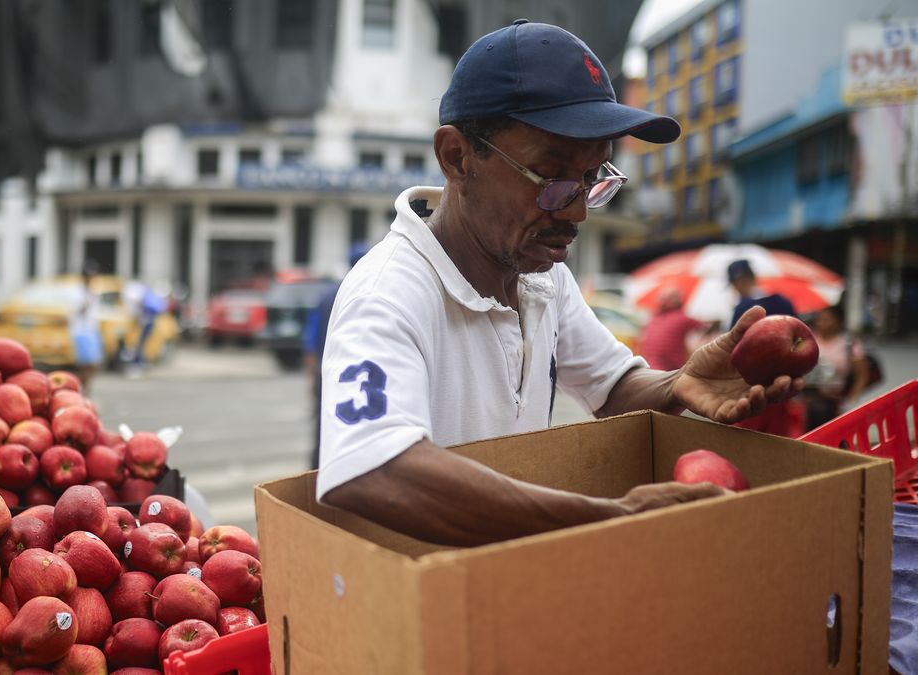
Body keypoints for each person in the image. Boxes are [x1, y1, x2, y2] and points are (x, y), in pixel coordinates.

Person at [315, 20, 804, 548]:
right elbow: (372, 469)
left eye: (593, 179)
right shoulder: (390, 292)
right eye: (551, 179)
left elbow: (613, 388)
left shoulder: (544, 282)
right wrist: (605, 518)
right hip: (423, 603)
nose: (575, 211)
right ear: (457, 157)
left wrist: (679, 382)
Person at [303, 243, 370, 470]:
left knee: (324, 428)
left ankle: (318, 475)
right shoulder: (370, 293)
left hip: (327, 373)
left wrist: (312, 377)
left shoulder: (328, 296)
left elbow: (311, 340)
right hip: (361, 375)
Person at [726, 258, 802, 436]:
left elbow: (732, 348)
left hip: (751, 387)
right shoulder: (783, 302)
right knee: (780, 437)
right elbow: (800, 339)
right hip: (784, 385)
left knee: (750, 438)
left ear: (739, 281)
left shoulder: (742, 309)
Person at [801, 304, 871, 429]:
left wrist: (852, 399)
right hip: (805, 400)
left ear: (839, 322)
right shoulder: (808, 339)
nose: (821, 323)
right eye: (819, 319)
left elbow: (862, 374)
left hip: (835, 401)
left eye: (827, 320)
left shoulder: (849, 344)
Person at [638, 288, 706, 370]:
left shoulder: (654, 318)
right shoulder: (682, 318)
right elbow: (706, 327)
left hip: (648, 367)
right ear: (675, 301)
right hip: (670, 370)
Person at [727, 259, 795, 328]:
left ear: (738, 283)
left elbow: (733, 337)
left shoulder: (741, 309)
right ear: (753, 277)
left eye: (734, 285)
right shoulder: (783, 302)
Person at [71, 265, 104, 393]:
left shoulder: (92, 291)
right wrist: (85, 304)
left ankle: (86, 392)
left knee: (94, 365)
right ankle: (79, 391)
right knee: (85, 366)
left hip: (91, 331)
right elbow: (75, 312)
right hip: (81, 332)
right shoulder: (78, 292)